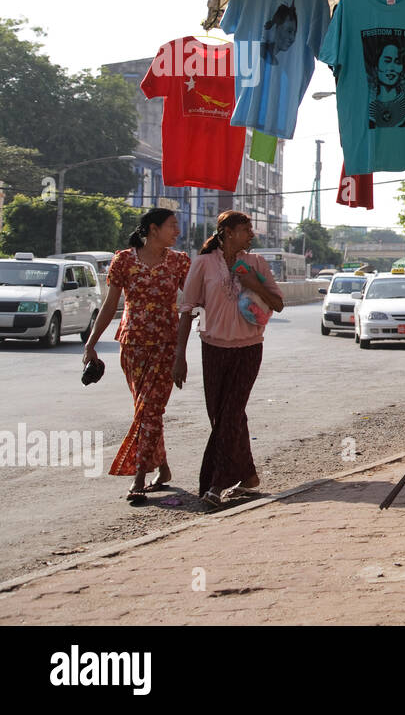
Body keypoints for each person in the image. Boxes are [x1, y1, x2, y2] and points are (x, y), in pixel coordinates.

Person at [174, 210, 284, 509]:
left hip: (249, 348)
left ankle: (215, 483)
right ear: (228, 232)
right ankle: (248, 477)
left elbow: (279, 303)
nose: (251, 235)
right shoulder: (203, 264)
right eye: (246, 229)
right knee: (223, 416)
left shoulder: (256, 263)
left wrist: (253, 283)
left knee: (231, 414)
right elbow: (187, 310)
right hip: (212, 347)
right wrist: (179, 356)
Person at [82, 208, 191, 505]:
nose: (177, 231)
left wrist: (182, 352)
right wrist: (91, 343)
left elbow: (193, 300)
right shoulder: (124, 260)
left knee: (150, 410)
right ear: (153, 229)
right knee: (146, 410)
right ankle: (164, 469)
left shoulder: (180, 262)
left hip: (167, 346)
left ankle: (139, 476)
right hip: (132, 346)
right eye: (173, 226)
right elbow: (109, 306)